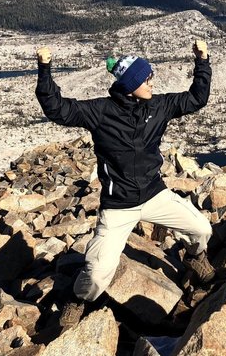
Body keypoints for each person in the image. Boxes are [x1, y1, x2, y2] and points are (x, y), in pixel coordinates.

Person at [35, 40, 215, 324]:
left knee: (201, 229)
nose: (152, 82)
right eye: (147, 78)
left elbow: (196, 98)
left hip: (155, 194)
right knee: (96, 273)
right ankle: (78, 298)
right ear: (131, 84)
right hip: (118, 205)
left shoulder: (159, 106)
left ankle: (195, 258)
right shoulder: (100, 112)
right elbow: (57, 109)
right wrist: (44, 69)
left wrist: (202, 61)